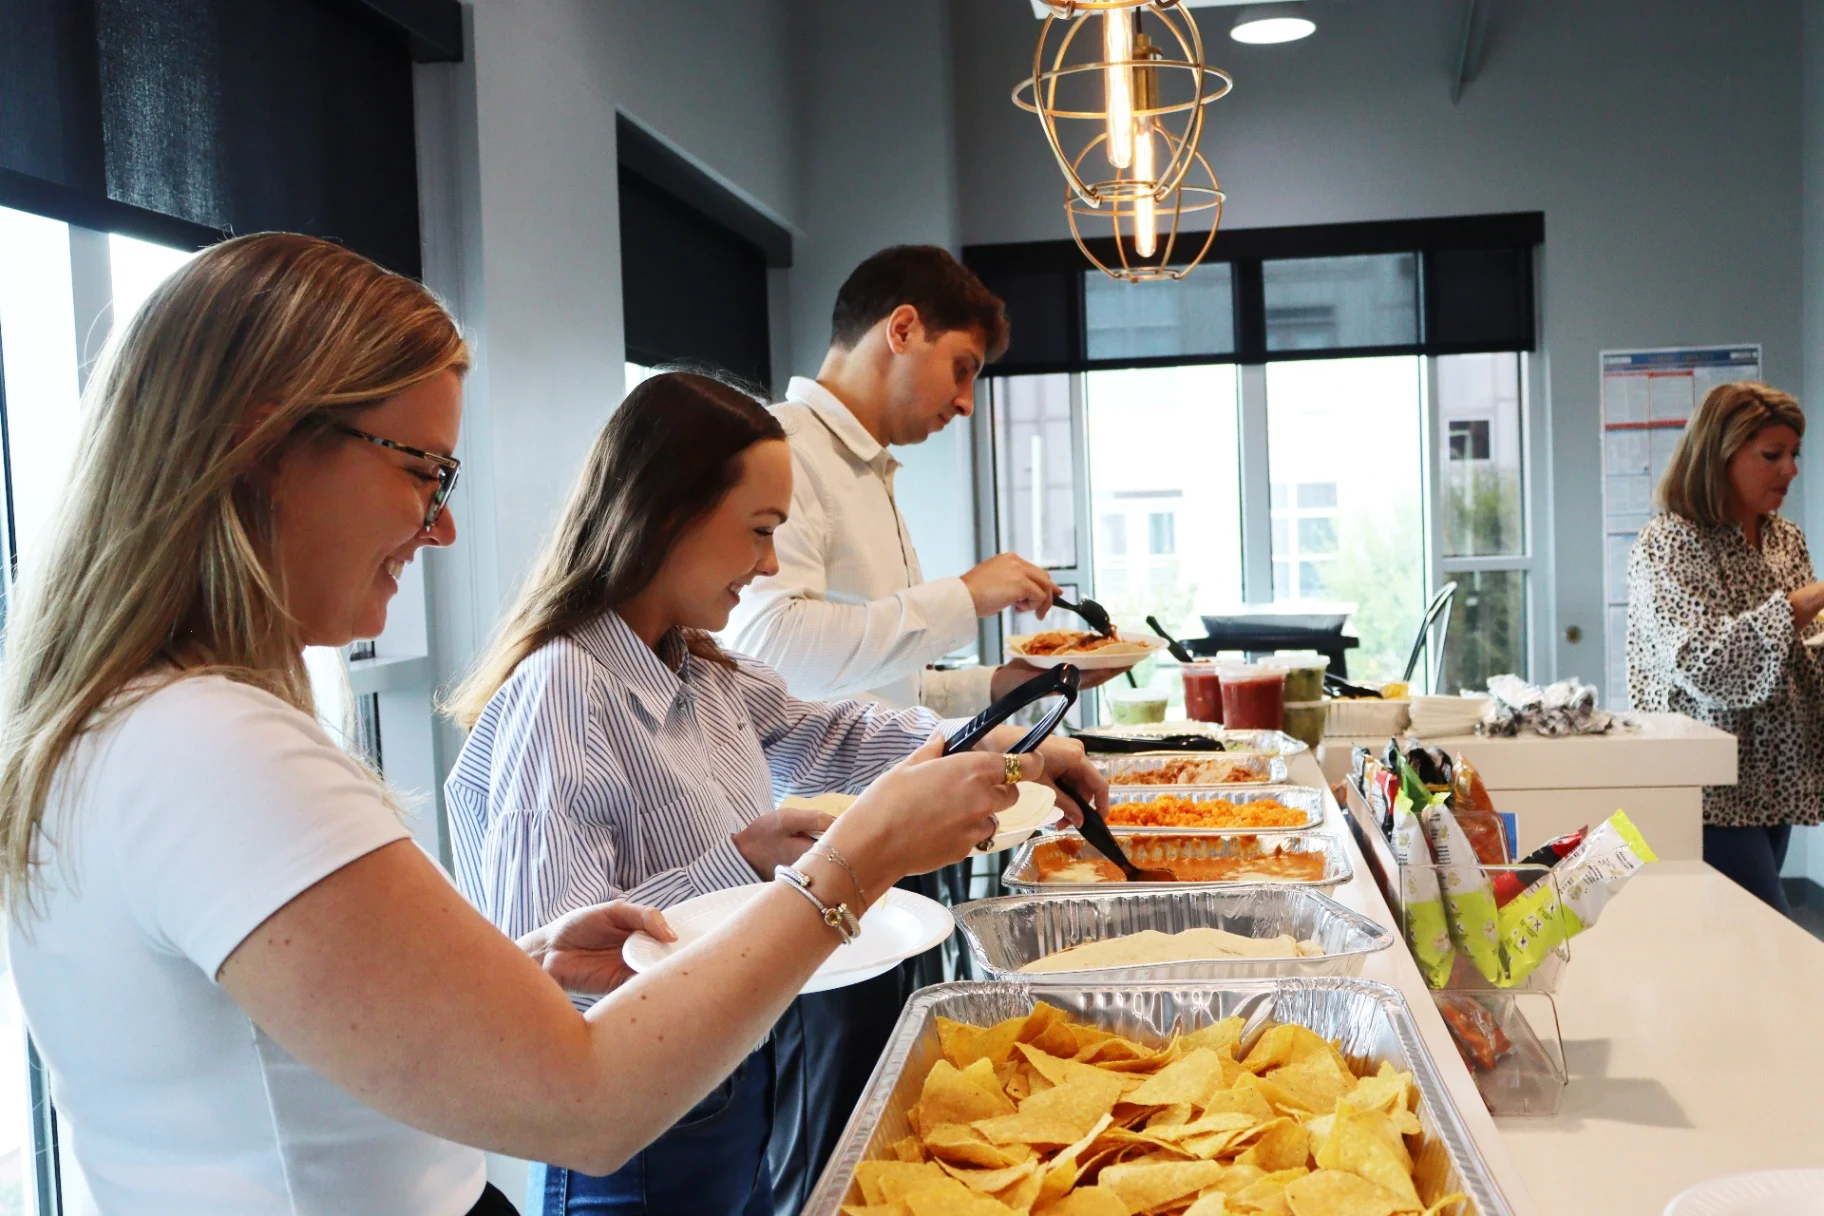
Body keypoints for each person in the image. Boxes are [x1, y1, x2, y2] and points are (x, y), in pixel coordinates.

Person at [0, 233, 1029, 1215]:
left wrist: (530, 967)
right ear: (266, 446)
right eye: (421, 469)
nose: (443, 525)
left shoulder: (137, 731)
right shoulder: (212, 749)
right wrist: (860, 856)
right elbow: (585, 1104)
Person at [440, 371, 1105, 1216]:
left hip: (726, 1069)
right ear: (665, 514)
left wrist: (1019, 753)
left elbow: (838, 734)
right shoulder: (563, 690)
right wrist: (737, 865)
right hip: (631, 1130)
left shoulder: (701, 669)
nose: (765, 567)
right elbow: (546, 980)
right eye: (758, 533)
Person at [720, 246, 1134, 1213]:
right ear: (899, 328)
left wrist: (1001, 686)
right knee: (832, 1143)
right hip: (825, 847)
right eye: (963, 369)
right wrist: (965, 593)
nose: (965, 404)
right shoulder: (786, 447)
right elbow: (776, 654)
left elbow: (879, 677)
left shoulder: (867, 469)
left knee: (892, 1117)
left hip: (891, 832)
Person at [1627, 380, 1824, 915]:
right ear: (1719, 455)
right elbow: (1704, 662)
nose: (1791, 470)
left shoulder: (1786, 539)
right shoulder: (1669, 544)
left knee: (1738, 944)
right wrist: (1803, 603)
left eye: (1793, 454)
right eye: (1772, 455)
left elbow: (1805, 653)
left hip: (1774, 779)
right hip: (1704, 787)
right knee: (1772, 931)